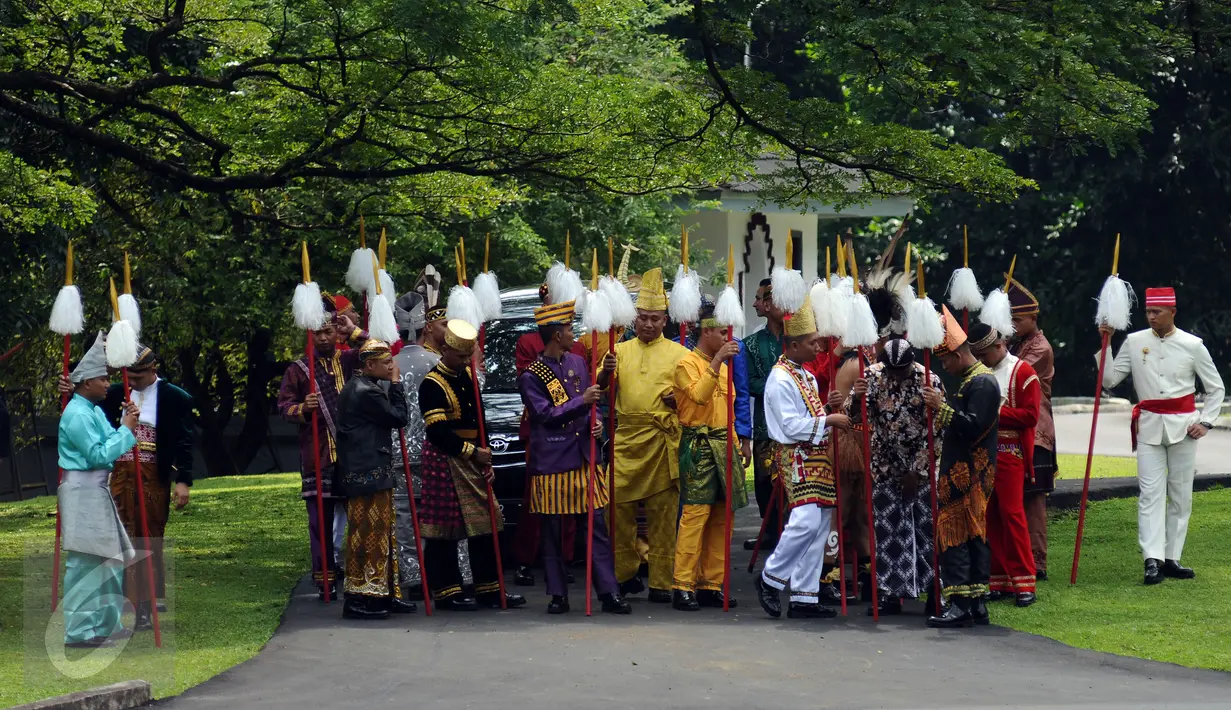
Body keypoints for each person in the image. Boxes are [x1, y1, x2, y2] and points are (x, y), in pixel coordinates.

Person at [57, 343, 195, 629]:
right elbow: (87, 404)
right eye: (126, 375)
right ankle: (119, 604)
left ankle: (146, 602)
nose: (129, 382)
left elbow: (184, 441)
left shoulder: (175, 397)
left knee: (148, 537)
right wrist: (68, 388)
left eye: (138, 376)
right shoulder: (112, 393)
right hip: (117, 475)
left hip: (152, 475)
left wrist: (183, 479)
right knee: (121, 541)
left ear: (153, 370)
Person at [1097, 287, 1224, 584]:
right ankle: (1151, 558)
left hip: (1184, 427)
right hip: (1149, 425)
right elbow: (1110, 380)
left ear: (1173, 312)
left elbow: (1216, 387)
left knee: (1180, 495)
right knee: (1150, 495)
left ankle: (1172, 557)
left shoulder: (1193, 345)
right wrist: (1106, 343)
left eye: (1157, 312)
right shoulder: (1134, 341)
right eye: (1148, 313)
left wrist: (1206, 422)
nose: (1151, 317)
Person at [517, 299, 630, 614]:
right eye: (568, 328)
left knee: (597, 528)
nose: (573, 333)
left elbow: (591, 401)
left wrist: (595, 412)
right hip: (553, 460)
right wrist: (583, 402)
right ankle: (558, 594)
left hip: (584, 457)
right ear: (555, 335)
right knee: (552, 531)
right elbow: (545, 415)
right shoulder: (531, 376)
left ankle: (609, 592)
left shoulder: (578, 362)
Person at [754, 297, 853, 620]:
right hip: (795, 456)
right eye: (812, 342)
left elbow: (808, 416)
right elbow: (788, 426)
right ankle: (770, 579)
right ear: (794, 345)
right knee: (806, 520)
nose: (819, 346)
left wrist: (828, 408)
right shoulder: (779, 378)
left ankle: (804, 596)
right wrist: (828, 421)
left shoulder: (807, 376)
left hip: (817, 456)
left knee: (820, 525)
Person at [418, 319, 526, 610]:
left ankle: (489, 588)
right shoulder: (432, 383)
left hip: (474, 456)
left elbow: (480, 419)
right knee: (444, 530)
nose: (467, 361)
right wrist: (470, 451)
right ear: (445, 349)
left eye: (469, 356)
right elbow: (436, 431)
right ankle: (446, 592)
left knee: (488, 524)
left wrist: (486, 453)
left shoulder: (466, 376)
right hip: (445, 459)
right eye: (462, 356)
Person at [277, 298, 368, 599]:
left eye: (329, 331)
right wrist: (302, 407)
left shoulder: (351, 359)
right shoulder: (299, 369)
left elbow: (378, 351)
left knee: (362, 517)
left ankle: (362, 577)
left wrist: (354, 331)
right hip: (319, 454)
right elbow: (283, 407)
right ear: (310, 335)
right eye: (318, 333)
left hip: (355, 453)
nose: (324, 337)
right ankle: (325, 580)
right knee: (320, 521)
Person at [611, 268, 689, 602]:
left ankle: (661, 581)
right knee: (616, 510)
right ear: (634, 319)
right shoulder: (617, 352)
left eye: (655, 319)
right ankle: (625, 573)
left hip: (662, 441)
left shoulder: (681, 354)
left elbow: (697, 396)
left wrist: (680, 399)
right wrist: (604, 375)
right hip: (626, 440)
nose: (648, 324)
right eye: (643, 318)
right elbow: (600, 393)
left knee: (663, 513)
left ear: (665, 320)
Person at [57, 333, 139, 648]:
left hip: (97, 491)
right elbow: (98, 455)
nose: (108, 384)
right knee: (85, 562)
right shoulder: (76, 413)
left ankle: (106, 623)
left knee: (111, 559)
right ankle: (78, 631)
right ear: (86, 382)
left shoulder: (91, 411)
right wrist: (127, 430)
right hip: (82, 491)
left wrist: (124, 424)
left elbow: (110, 441)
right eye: (103, 379)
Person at [847, 338, 940, 616]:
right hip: (885, 465)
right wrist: (857, 397)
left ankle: (933, 590)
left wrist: (918, 470)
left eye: (902, 371)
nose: (896, 377)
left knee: (925, 529)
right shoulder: (872, 377)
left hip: (921, 468)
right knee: (888, 532)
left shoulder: (929, 381)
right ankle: (889, 593)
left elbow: (937, 431)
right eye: (891, 371)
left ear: (912, 364)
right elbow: (854, 417)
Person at [922, 307, 999, 628]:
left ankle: (961, 602)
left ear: (956, 352)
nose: (944, 367)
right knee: (972, 535)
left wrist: (941, 407)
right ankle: (976, 602)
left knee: (956, 535)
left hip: (967, 475)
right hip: (966, 472)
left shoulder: (981, 384)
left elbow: (972, 427)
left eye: (946, 360)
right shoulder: (972, 381)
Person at [671, 298, 747, 611]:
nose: (728, 338)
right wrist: (715, 363)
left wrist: (737, 445)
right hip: (699, 448)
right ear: (707, 333)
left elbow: (727, 413)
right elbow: (700, 398)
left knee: (721, 517)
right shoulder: (685, 364)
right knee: (694, 517)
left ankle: (711, 583)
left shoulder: (727, 369)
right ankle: (682, 585)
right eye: (722, 332)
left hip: (723, 446)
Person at [510, 283, 584, 588]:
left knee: (569, 501)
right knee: (535, 500)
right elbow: (533, 381)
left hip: (574, 432)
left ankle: (564, 558)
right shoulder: (529, 342)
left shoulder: (577, 349)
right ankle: (526, 559)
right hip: (544, 430)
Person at [335, 339, 415, 619]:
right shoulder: (366, 391)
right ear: (370, 365)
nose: (392, 366)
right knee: (366, 534)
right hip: (366, 473)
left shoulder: (359, 387)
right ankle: (360, 598)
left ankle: (384, 592)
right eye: (386, 363)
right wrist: (396, 385)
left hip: (369, 471)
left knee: (383, 532)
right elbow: (400, 417)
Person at [969, 323, 1039, 607]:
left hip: (1010, 452)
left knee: (1012, 514)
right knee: (989, 516)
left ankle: (1025, 581)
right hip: (983, 452)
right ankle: (997, 579)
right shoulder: (978, 373)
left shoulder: (1023, 372)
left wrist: (995, 411)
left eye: (985, 354)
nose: (982, 361)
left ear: (999, 346)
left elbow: (1031, 416)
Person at [1007, 277, 1056, 581]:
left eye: (1017, 319)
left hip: (1036, 430)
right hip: (1017, 428)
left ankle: (1037, 562)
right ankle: (1017, 557)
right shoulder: (1018, 343)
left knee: (1033, 499)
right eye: (1009, 318)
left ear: (1033, 318)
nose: (1012, 324)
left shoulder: (1040, 349)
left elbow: (1011, 373)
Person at [742, 279, 784, 550]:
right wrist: (782, 385)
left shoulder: (800, 339)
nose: (755, 303)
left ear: (770, 303)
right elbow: (748, 383)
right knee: (763, 481)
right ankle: (769, 531)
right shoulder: (752, 344)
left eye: (759, 299)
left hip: (798, 424)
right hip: (764, 425)